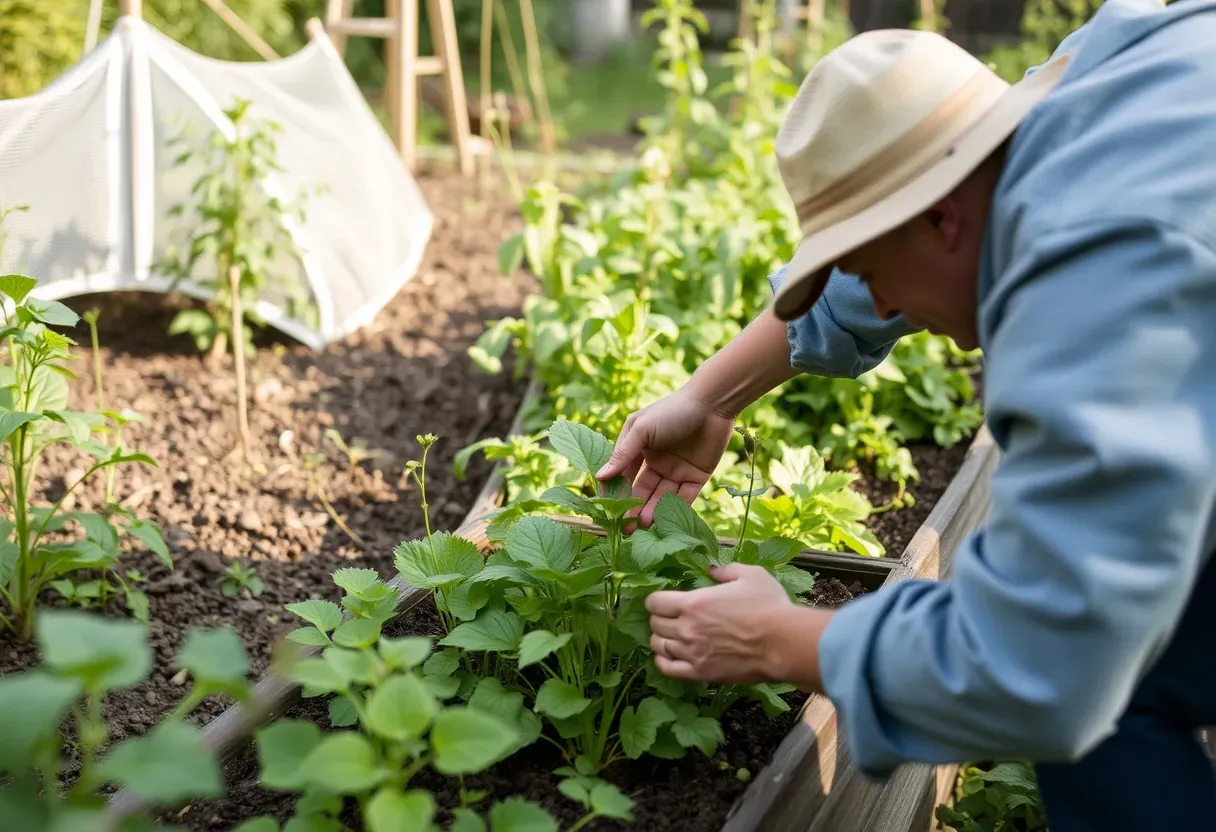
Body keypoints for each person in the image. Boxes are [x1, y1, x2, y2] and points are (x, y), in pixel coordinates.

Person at [593, 1, 1216, 829]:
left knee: (1109, 691)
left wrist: (778, 639)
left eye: (866, 267)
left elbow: (1041, 665)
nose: (881, 304)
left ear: (939, 218)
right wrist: (708, 398)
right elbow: (890, 258)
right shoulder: (1098, 70)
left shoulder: (1091, 285)